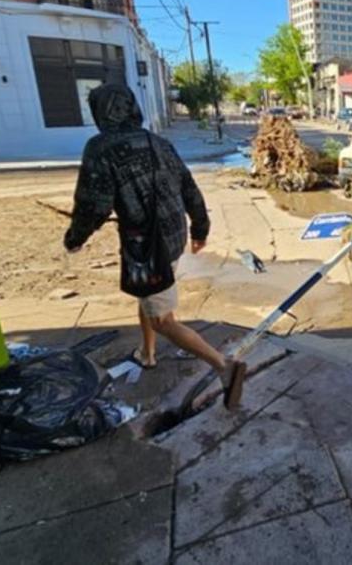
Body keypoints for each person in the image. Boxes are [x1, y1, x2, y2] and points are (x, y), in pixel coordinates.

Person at [63, 83, 245, 399]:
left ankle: (224, 366)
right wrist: (199, 229)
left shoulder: (100, 148)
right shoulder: (158, 143)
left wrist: (75, 239)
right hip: (173, 235)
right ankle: (147, 354)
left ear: (100, 114)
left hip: (148, 247)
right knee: (146, 293)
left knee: (162, 319)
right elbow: (189, 188)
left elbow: (94, 204)